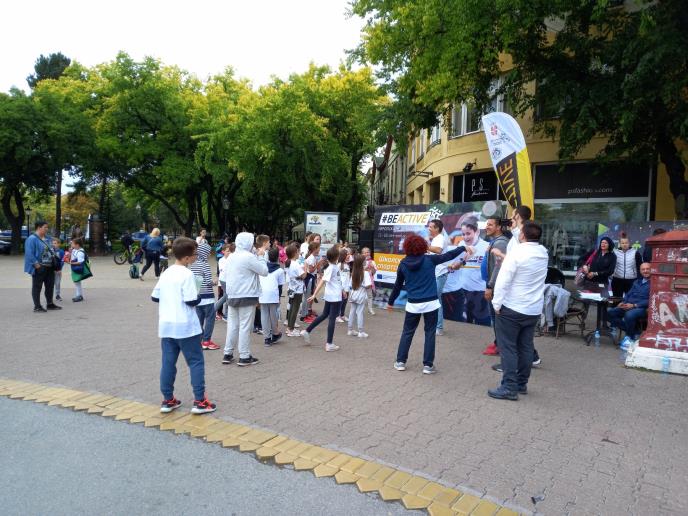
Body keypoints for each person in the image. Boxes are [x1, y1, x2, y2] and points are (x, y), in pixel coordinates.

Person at [388, 235, 473, 374]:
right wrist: (463, 247)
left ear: (406, 247)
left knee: (407, 332)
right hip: (431, 303)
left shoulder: (403, 264)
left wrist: (390, 302)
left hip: (413, 304)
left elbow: (397, 286)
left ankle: (400, 362)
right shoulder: (430, 260)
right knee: (429, 333)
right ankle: (428, 366)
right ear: (423, 246)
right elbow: (448, 255)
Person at [151, 237, 216, 415]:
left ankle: (168, 399)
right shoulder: (187, 274)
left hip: (167, 325)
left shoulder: (166, 273)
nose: (196, 257)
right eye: (195, 254)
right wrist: (198, 295)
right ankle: (200, 401)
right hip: (186, 326)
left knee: (168, 362)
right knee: (195, 362)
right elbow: (191, 300)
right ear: (187, 257)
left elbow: (155, 297)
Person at [488, 222, 549, 401]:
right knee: (526, 347)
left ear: (522, 235)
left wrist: (496, 304)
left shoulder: (516, 253)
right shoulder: (543, 253)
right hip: (532, 309)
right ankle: (521, 383)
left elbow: (503, 281)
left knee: (508, 348)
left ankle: (509, 387)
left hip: (512, 308)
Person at [222, 232, 268, 366]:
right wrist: (261, 257)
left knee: (232, 326)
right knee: (245, 326)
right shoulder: (248, 257)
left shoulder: (231, 256)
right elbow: (264, 271)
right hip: (247, 295)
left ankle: (228, 353)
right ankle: (244, 355)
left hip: (232, 294)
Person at [444, 218, 491, 326]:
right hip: (463, 291)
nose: (465, 237)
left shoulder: (486, 247)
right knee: (465, 324)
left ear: (477, 231)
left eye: (468, 233)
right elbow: (454, 263)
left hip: (480, 292)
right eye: (463, 234)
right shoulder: (461, 244)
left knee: (483, 324)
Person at [300, 246, 344, 352]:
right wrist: (314, 294)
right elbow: (322, 281)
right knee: (332, 318)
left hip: (333, 296)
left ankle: (307, 331)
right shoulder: (331, 268)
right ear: (336, 257)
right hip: (334, 297)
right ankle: (329, 343)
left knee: (325, 315)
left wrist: (342, 290)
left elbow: (337, 281)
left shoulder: (333, 267)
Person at [482, 216, 510, 356]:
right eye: (487, 224)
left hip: (495, 287)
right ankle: (499, 342)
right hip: (493, 285)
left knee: (497, 319)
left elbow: (499, 268)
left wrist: (490, 286)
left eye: (490, 224)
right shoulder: (495, 242)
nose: (487, 227)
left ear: (498, 227)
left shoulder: (500, 243)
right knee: (495, 318)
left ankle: (502, 347)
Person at [607, 262, 651, 342]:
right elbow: (628, 294)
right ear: (640, 271)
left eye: (647, 269)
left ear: (652, 270)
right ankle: (635, 332)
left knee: (629, 315)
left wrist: (634, 305)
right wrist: (623, 302)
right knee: (610, 313)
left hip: (641, 308)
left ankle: (629, 337)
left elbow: (651, 300)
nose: (645, 271)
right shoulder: (637, 282)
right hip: (627, 305)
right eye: (643, 269)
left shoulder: (654, 283)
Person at [24, 221, 61, 313]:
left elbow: (52, 249)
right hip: (40, 267)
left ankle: (50, 304)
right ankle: (37, 306)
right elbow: (29, 253)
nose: (47, 229)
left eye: (47, 227)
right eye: (45, 227)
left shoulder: (48, 238)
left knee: (50, 286)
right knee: (37, 287)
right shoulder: (32, 239)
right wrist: (36, 265)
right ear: (39, 228)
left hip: (50, 267)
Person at [189, 239, 220, 351]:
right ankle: (206, 341)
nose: (209, 255)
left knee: (199, 320)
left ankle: (199, 340)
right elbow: (208, 282)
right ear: (204, 253)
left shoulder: (192, 265)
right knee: (210, 319)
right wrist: (215, 282)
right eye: (208, 253)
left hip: (197, 297)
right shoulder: (205, 265)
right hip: (207, 297)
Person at [426, 219, 449, 335]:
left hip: (440, 274)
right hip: (436, 273)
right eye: (429, 226)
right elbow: (434, 254)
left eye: (431, 227)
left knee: (436, 300)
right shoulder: (436, 239)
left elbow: (438, 250)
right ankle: (435, 325)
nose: (429, 229)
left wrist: (426, 246)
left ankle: (439, 328)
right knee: (434, 300)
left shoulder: (440, 238)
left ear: (437, 229)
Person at [259, 247, 284, 347]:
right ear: (278, 258)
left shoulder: (263, 267)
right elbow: (280, 286)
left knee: (264, 315)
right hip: (273, 294)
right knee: (273, 315)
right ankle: (275, 333)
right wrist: (279, 297)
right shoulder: (280, 270)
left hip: (262, 293)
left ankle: (267, 338)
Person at [347, 254, 372, 338]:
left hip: (353, 294)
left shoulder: (353, 272)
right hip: (361, 295)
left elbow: (350, 285)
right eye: (364, 260)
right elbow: (368, 285)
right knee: (360, 312)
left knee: (352, 311)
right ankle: (361, 332)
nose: (366, 261)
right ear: (362, 262)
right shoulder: (365, 273)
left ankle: (350, 330)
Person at [285, 244, 306, 337]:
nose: (299, 253)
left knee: (291, 308)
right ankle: (291, 329)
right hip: (297, 290)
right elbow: (303, 276)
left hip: (291, 288)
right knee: (295, 309)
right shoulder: (296, 264)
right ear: (294, 253)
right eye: (298, 251)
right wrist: (305, 268)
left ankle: (289, 327)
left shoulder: (288, 262)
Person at [300, 241, 321, 322]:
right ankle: (303, 316)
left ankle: (306, 314)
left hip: (310, 278)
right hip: (309, 278)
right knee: (307, 297)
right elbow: (311, 270)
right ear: (314, 249)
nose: (319, 249)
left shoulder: (312, 257)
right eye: (318, 248)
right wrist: (318, 264)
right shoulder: (311, 258)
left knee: (308, 297)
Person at [216, 243, 234, 321]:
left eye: (230, 251)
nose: (229, 253)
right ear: (223, 252)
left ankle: (225, 314)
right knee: (224, 297)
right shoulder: (221, 260)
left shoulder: (231, 259)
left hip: (229, 281)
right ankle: (219, 312)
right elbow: (223, 271)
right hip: (224, 281)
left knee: (226, 297)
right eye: (227, 251)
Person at [337, 247, 352, 323]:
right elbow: (337, 278)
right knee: (341, 302)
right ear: (343, 256)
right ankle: (337, 316)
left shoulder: (347, 265)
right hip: (341, 288)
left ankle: (342, 315)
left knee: (345, 302)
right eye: (347, 254)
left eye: (349, 254)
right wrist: (342, 289)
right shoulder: (339, 265)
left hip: (347, 287)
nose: (349, 255)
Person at [69, 238, 87, 302]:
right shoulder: (75, 250)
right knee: (76, 282)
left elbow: (80, 262)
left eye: (72, 244)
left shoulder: (80, 252)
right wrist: (70, 252)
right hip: (75, 268)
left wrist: (71, 263)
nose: (71, 245)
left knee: (77, 282)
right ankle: (79, 295)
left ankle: (79, 296)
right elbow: (72, 257)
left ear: (77, 245)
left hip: (77, 269)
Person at [361, 247, 378, 315]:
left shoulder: (372, 262)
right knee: (361, 296)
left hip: (369, 281)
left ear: (370, 253)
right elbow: (357, 270)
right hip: (361, 281)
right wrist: (365, 268)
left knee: (369, 296)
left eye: (367, 252)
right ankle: (359, 309)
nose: (366, 254)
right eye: (364, 252)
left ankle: (370, 309)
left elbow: (374, 272)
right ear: (362, 254)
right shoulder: (360, 261)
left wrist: (372, 267)